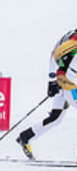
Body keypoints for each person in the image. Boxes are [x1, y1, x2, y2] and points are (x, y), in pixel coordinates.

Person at [16, 28, 77, 159]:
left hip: (67, 79)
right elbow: (55, 55)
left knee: (56, 117)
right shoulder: (73, 40)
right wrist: (52, 81)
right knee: (57, 116)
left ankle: (26, 137)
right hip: (67, 81)